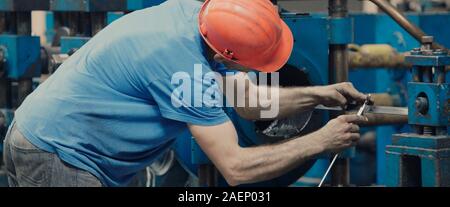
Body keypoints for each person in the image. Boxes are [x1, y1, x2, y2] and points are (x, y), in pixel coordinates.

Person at [2, 0, 367, 187]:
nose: (259, 69)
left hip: (37, 135)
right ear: (228, 56)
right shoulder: (184, 67)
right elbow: (236, 168)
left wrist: (320, 94)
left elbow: (249, 103)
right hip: (61, 155)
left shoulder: (201, 18)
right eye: (255, 63)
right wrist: (320, 141)